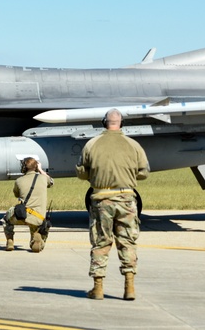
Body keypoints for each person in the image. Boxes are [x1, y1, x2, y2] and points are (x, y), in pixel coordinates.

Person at [76, 108, 150, 301]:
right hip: (126, 200)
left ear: (104, 123)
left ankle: (98, 288)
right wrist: (127, 175)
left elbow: (82, 173)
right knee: (127, 242)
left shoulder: (91, 144)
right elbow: (144, 172)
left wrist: (97, 175)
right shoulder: (133, 145)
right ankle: (129, 288)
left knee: (101, 242)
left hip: (101, 199)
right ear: (121, 123)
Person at [1, 157, 53, 253]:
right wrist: (40, 170)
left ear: (24, 168)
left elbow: (16, 194)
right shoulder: (43, 178)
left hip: (21, 216)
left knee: (6, 219)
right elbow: (51, 182)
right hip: (38, 218)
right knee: (37, 226)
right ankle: (36, 240)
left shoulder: (19, 181)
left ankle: (10, 240)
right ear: (36, 166)